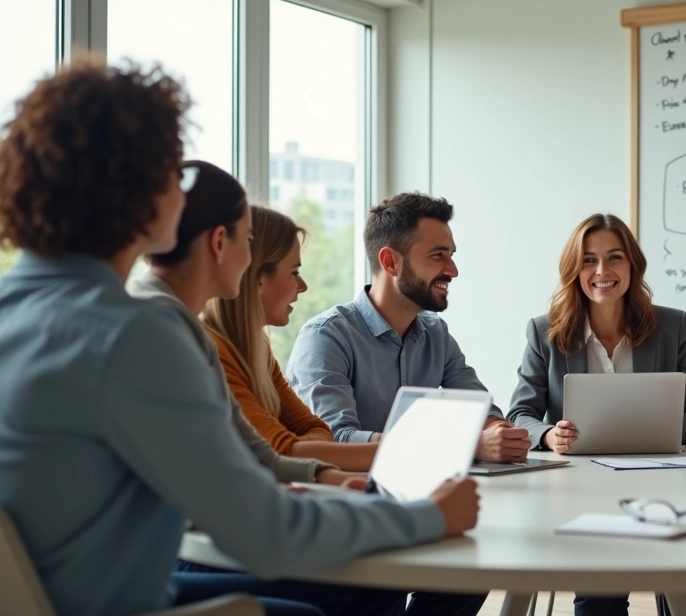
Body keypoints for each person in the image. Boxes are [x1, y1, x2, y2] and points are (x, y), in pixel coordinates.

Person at [0, 58, 479, 616]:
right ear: (138, 191)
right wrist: (427, 516)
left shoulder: (21, 308)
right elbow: (264, 534)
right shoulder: (131, 335)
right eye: (170, 173)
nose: (181, 193)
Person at [130, 160, 361, 488]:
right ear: (220, 241)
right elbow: (264, 457)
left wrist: (326, 474)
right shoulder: (171, 336)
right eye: (247, 239)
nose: (248, 258)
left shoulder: (204, 336)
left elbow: (270, 450)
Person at [289, 192, 530, 463]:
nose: (453, 270)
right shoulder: (325, 337)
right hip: (348, 494)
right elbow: (337, 439)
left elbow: (480, 408)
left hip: (417, 486)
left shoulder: (435, 333)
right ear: (390, 262)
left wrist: (498, 431)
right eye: (438, 255)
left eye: (451, 255)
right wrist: (466, 445)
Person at [507, 213, 686, 457]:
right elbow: (520, 414)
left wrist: (651, 432)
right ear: (574, 269)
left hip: (654, 471)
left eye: (615, 258)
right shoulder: (544, 333)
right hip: (574, 477)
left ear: (632, 265)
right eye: (589, 260)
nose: (602, 271)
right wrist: (550, 435)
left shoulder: (672, 327)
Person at [204, 206, 377, 473]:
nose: (303, 286)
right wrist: (407, 449)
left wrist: (301, 448)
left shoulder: (257, 350)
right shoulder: (212, 351)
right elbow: (281, 452)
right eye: (294, 272)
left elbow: (315, 429)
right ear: (259, 278)